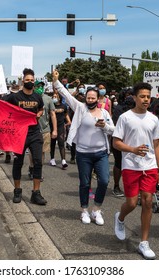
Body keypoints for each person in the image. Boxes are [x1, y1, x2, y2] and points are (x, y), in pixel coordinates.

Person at [53, 70, 115, 226]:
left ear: (98, 99)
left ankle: (96, 209)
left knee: (104, 181)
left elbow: (114, 130)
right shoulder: (80, 108)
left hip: (101, 153)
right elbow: (66, 94)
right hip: (83, 154)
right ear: (85, 98)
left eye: (93, 98)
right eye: (88, 97)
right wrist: (56, 81)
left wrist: (104, 126)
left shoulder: (105, 112)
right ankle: (84, 211)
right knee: (85, 183)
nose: (91, 100)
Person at [112, 82, 159, 260]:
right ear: (134, 97)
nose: (146, 99)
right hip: (131, 166)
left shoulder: (153, 119)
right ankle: (120, 218)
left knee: (148, 201)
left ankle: (144, 242)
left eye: (148, 96)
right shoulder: (125, 118)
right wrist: (133, 150)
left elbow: (157, 144)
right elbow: (116, 142)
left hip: (149, 167)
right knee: (132, 203)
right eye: (142, 96)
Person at [0, 68, 46, 205]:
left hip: (34, 133)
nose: (30, 82)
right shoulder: (15, 96)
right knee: (18, 162)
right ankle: (17, 190)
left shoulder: (38, 97)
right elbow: (1, 104)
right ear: (23, 80)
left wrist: (39, 114)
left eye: (32, 80)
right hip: (19, 135)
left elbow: (41, 108)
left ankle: (36, 193)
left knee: (38, 161)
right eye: (27, 80)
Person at [28, 80, 57, 180]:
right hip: (32, 130)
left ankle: (38, 171)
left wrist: (55, 130)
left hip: (45, 130)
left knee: (42, 152)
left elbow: (53, 114)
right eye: (38, 86)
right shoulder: (29, 98)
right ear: (34, 87)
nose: (40, 88)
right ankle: (31, 168)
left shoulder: (48, 99)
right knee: (32, 153)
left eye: (42, 86)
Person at [110, 88, 135, 197]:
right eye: (128, 95)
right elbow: (117, 125)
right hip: (120, 140)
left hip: (133, 141)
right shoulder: (119, 109)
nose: (130, 97)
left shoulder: (137, 109)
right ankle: (116, 186)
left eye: (132, 95)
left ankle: (132, 187)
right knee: (119, 163)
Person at [50, 89, 71, 169]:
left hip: (61, 127)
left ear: (59, 98)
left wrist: (68, 121)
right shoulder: (51, 106)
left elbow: (66, 114)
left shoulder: (63, 106)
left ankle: (63, 160)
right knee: (52, 143)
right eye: (53, 97)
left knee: (61, 143)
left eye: (56, 97)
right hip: (52, 127)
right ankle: (52, 159)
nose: (54, 98)